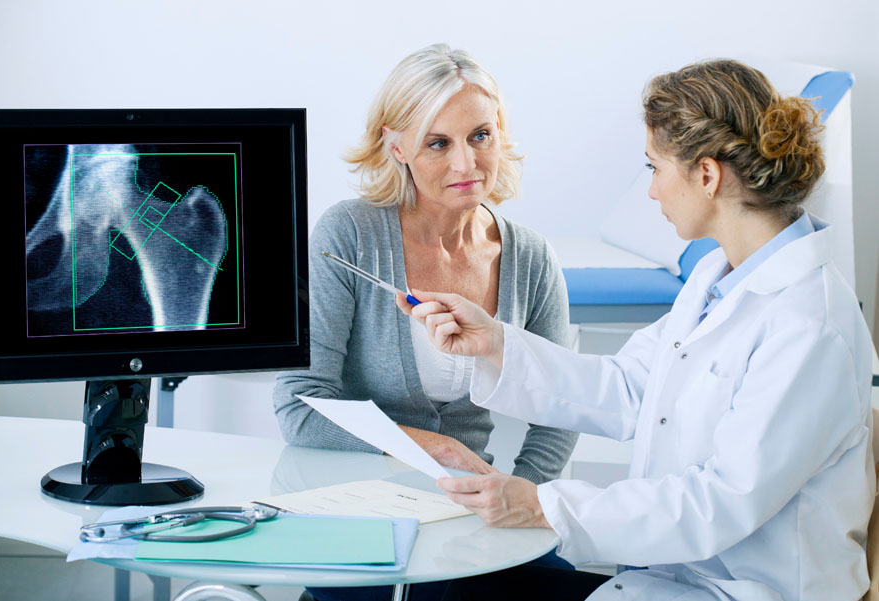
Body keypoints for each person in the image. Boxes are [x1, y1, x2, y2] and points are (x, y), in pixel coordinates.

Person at [401, 59, 875, 601]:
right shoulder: (717, 277)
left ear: (706, 175)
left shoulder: (809, 323)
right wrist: (495, 344)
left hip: (747, 590)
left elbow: (719, 502)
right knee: (459, 589)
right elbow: (630, 387)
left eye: (654, 168)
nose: (651, 191)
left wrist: (543, 505)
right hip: (671, 577)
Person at [273, 44, 579, 601]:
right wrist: (427, 447)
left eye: (480, 136)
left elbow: (561, 410)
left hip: (474, 518)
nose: (466, 164)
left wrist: (520, 498)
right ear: (397, 145)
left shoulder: (531, 258)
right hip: (357, 512)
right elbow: (299, 405)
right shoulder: (351, 236)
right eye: (438, 143)